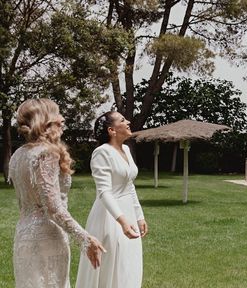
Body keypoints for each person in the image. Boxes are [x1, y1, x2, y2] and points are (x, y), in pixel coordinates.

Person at [8, 98, 105, 287]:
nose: (62, 119)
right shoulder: (46, 153)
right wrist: (85, 238)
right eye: (57, 113)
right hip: (48, 236)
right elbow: (52, 207)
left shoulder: (18, 154)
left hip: (23, 235)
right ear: (46, 120)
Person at [76, 111, 147, 288]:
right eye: (123, 120)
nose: (128, 122)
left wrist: (139, 216)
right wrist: (122, 222)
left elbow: (129, 185)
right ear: (112, 130)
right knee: (112, 264)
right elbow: (104, 192)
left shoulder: (126, 150)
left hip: (128, 212)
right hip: (109, 216)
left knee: (128, 264)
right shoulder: (101, 153)